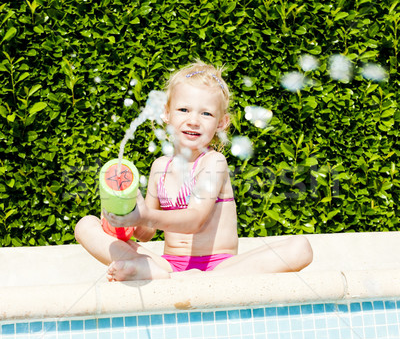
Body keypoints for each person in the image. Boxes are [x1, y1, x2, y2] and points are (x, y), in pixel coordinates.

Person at [75, 61, 313, 281]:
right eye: (184, 110)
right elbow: (146, 233)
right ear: (166, 114)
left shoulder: (213, 162)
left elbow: (195, 221)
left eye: (206, 113)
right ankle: (156, 272)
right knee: (86, 225)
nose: (193, 120)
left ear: (221, 123)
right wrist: (125, 216)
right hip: (168, 265)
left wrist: (144, 215)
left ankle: (178, 279)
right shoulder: (160, 166)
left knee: (300, 248)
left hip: (220, 268)